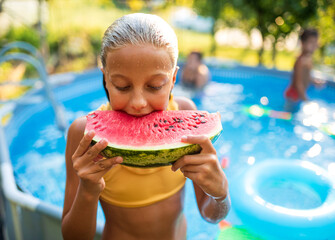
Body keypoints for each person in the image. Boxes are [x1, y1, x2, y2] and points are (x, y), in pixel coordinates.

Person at [61, 13, 230, 240]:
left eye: (154, 86)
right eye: (122, 86)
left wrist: (220, 194)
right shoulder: (84, 134)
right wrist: (88, 191)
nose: (138, 103)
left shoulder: (186, 112)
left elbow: (210, 215)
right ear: (105, 79)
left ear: (172, 80)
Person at [284, 28, 322, 111]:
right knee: (289, 117)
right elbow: (298, 84)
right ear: (303, 43)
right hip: (293, 96)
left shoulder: (308, 59)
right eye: (311, 42)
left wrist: (314, 81)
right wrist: (306, 100)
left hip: (299, 96)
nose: (314, 45)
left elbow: (306, 76)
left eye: (315, 42)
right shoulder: (300, 61)